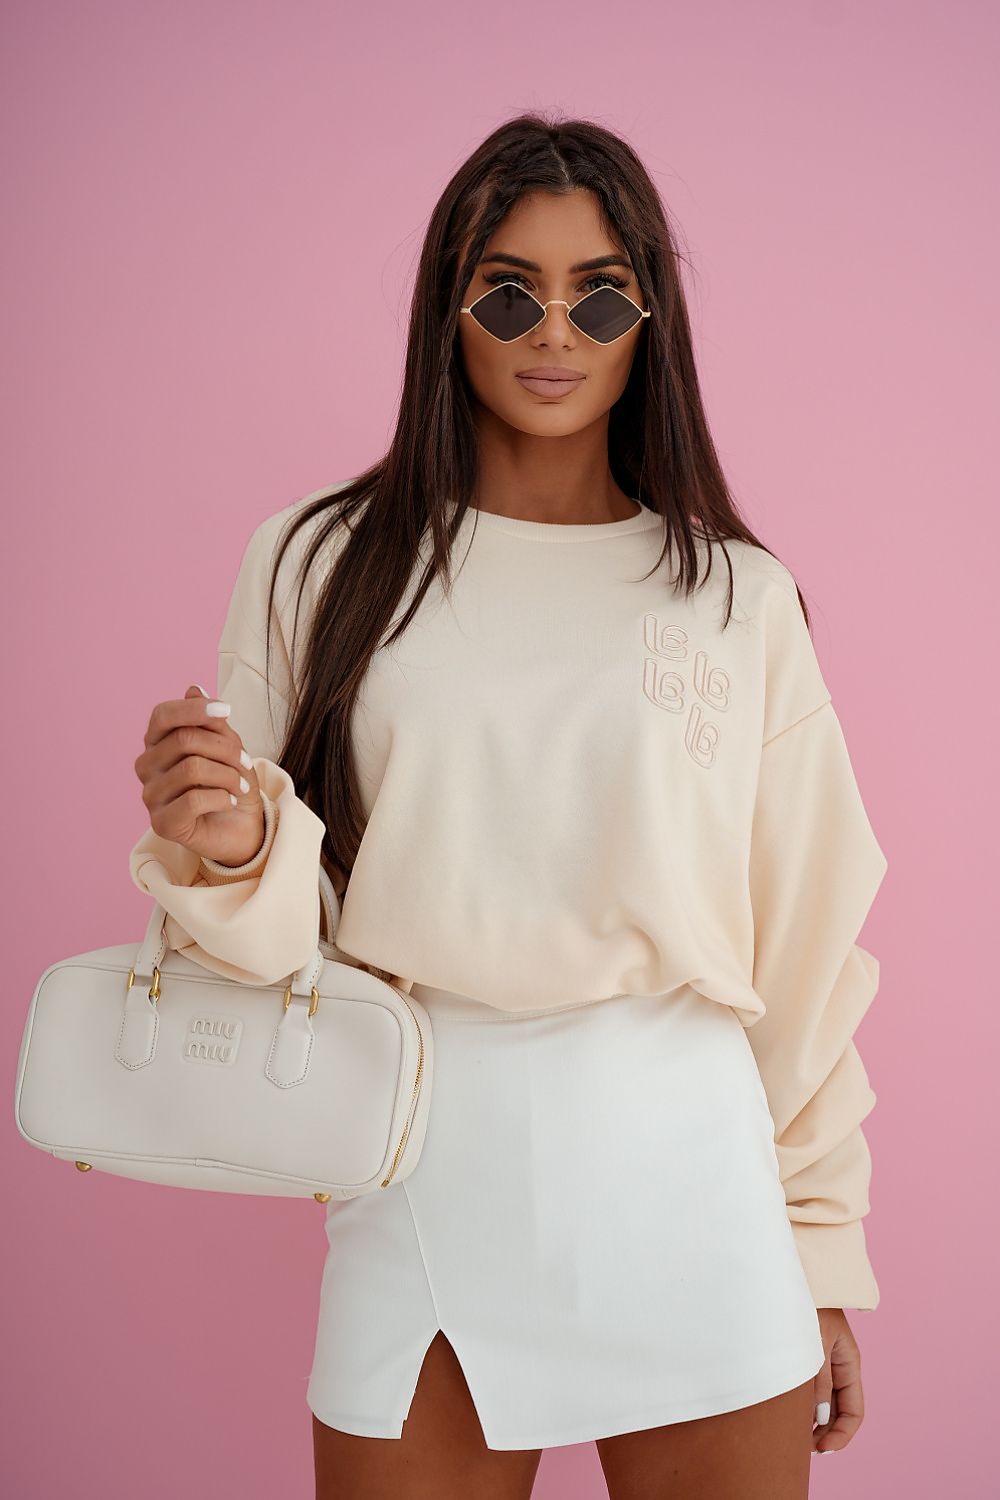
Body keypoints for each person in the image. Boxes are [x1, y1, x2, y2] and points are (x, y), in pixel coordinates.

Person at [130, 112, 888, 1500]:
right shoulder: (320, 562)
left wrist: (820, 1249)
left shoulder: (735, 599)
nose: (553, 330)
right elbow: (265, 954)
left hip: (694, 1185)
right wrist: (231, 851)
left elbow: (804, 950)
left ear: (648, 313)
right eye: (505, 290)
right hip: (425, 1165)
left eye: (599, 291)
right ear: (449, 310)